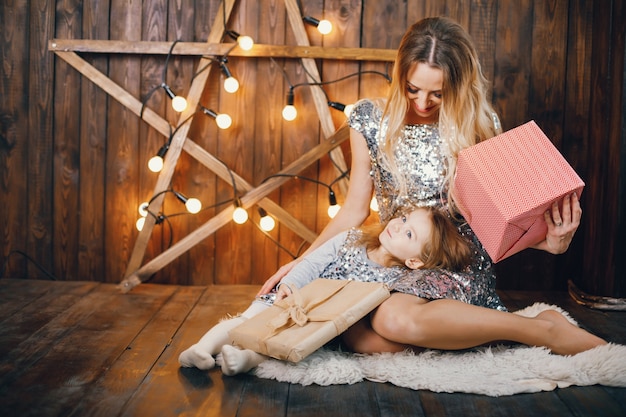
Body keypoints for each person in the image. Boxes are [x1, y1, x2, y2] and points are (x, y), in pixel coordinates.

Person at [256, 17, 605, 357]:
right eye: (413, 89)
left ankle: (541, 330)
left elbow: (497, 219)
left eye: (437, 94)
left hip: (456, 262)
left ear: (458, 85)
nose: (422, 104)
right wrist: (302, 262)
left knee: (391, 320)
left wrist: (550, 243)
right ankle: (491, 332)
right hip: (400, 259)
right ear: (400, 76)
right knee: (360, 338)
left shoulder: (481, 124)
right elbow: (353, 210)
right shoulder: (368, 118)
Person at [179, 206, 473, 374]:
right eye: (405, 218)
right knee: (247, 322)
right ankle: (200, 350)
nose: (398, 225)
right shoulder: (351, 239)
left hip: (318, 320)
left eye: (409, 233)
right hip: (291, 297)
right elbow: (312, 262)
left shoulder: (394, 279)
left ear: (414, 260)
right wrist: (290, 285)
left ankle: (244, 361)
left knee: (285, 346)